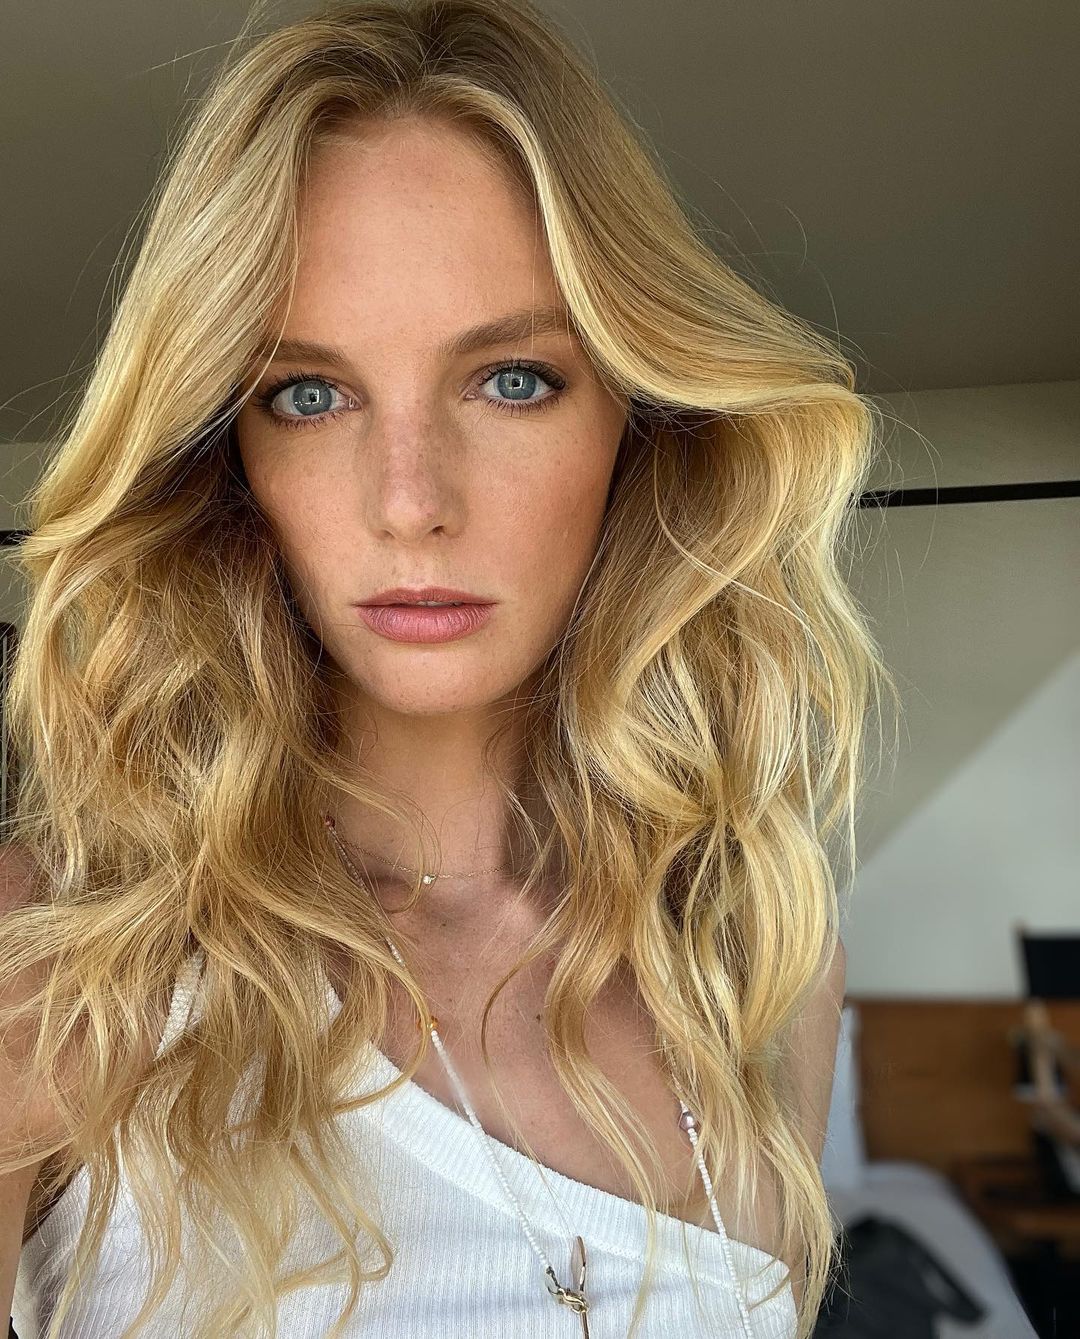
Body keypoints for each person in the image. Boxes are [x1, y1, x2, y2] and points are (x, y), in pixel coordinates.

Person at [0, 1, 896, 1336]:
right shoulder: (57, 964)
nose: (410, 501)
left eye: (513, 380)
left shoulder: (754, 964)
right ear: (224, 457)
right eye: (309, 395)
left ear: (643, 424)